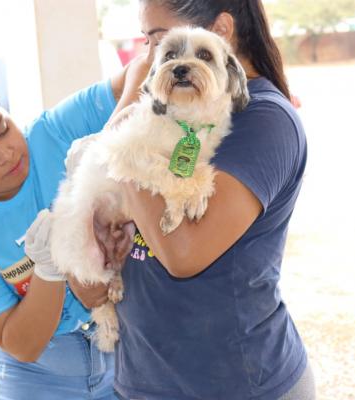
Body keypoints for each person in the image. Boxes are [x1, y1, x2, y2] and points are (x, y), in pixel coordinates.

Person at [111, 1, 316, 399]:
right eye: (151, 43)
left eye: (158, 39)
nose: (150, 57)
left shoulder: (263, 120)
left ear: (221, 30)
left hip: (236, 384)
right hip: (145, 378)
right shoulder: (170, 113)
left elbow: (184, 254)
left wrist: (125, 147)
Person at [0, 60, 146, 399]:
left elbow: (140, 69)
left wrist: (112, 137)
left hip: (125, 352)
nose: (5, 153)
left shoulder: (53, 134)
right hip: (41, 378)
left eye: (3, 128)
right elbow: (23, 345)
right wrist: (50, 269)